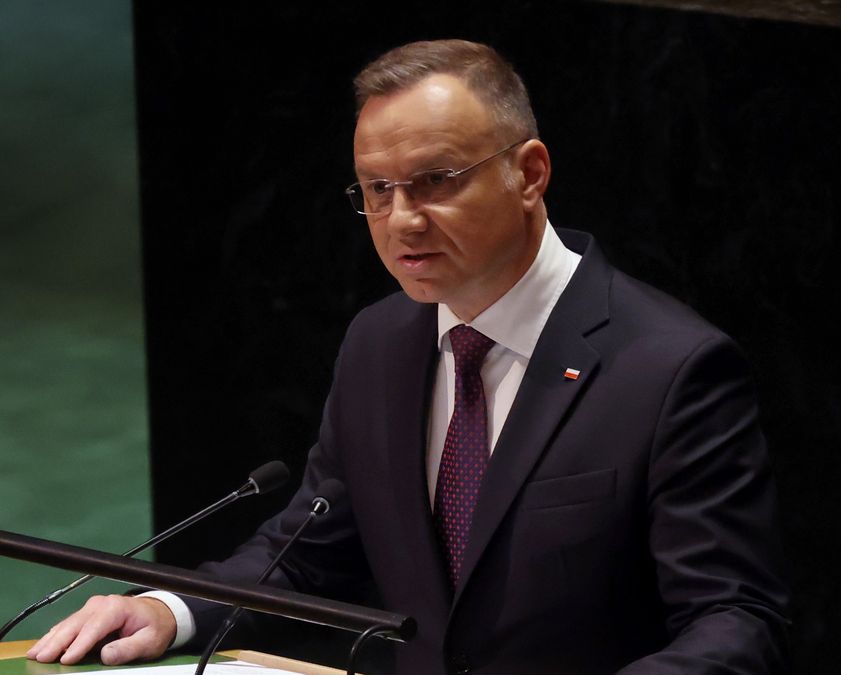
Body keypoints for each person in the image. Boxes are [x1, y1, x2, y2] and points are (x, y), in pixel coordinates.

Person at [26, 39, 791, 674]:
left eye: (435, 182)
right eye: (378, 190)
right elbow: (308, 553)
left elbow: (733, 621)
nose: (402, 220)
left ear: (529, 173)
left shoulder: (669, 367)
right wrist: (171, 605)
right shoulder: (381, 344)